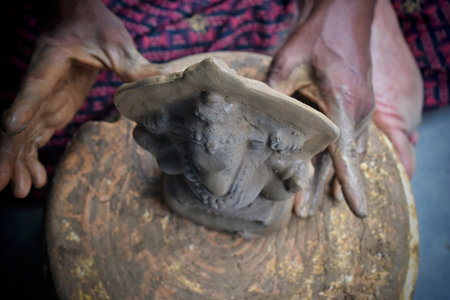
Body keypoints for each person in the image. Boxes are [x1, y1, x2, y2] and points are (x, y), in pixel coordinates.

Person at [0, 0, 424, 219]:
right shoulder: (181, 142)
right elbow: (148, 137)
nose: (206, 140)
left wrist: (345, 15)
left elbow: (279, 178)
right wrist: (69, 9)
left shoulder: (257, 142)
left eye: (217, 134)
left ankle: (355, 22)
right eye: (200, 132)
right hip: (128, 20)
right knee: (45, 123)